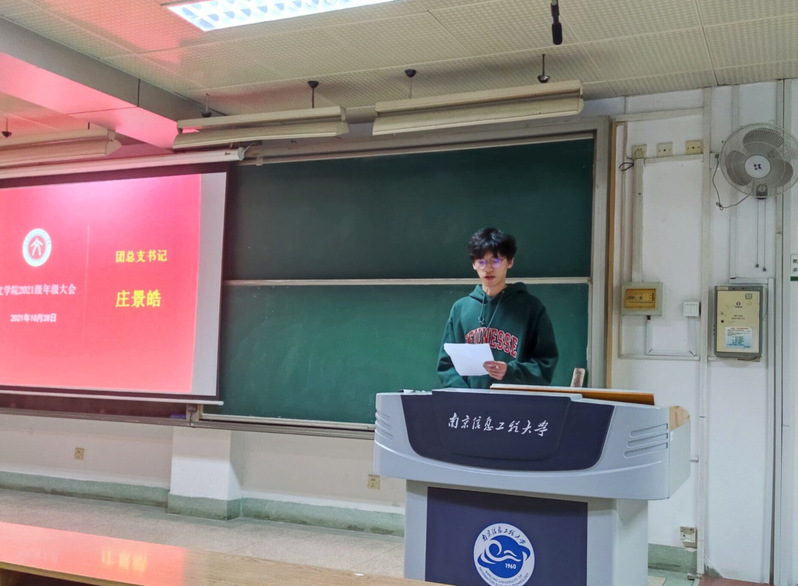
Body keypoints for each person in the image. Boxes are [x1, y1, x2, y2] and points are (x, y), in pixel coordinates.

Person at [437, 227, 558, 388]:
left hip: (514, 401)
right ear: (474, 264)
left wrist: (510, 371)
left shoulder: (531, 308)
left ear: (510, 261)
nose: (488, 268)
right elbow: (446, 366)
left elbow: (545, 364)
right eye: (481, 262)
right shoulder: (461, 309)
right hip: (470, 402)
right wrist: (466, 396)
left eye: (495, 261)